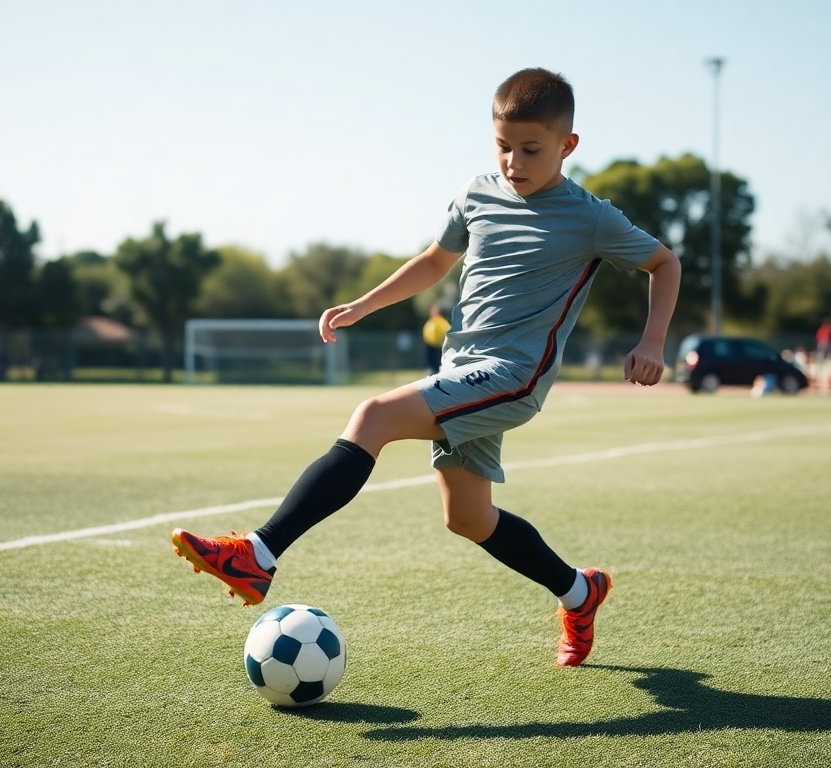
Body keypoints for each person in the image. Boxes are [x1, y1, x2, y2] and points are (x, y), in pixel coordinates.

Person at [171, 68, 681, 668]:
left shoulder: (590, 217)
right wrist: (365, 303)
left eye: (531, 149)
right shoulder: (477, 192)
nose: (514, 161)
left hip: (515, 373)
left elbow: (664, 263)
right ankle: (579, 590)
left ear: (568, 146)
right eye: (504, 146)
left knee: (374, 415)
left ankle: (258, 554)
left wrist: (652, 342)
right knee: (467, 517)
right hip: (463, 366)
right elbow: (436, 259)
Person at [421, 303, 450, 375]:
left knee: (437, 366)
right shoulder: (432, 321)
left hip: (438, 347)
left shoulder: (441, 321)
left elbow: (446, 331)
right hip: (429, 345)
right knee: (430, 365)